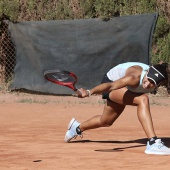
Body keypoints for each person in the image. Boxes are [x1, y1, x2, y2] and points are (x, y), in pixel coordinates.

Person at [64, 62, 170, 155]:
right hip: (112, 83)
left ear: (158, 85)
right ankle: (153, 142)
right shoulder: (134, 76)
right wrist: (89, 92)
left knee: (106, 121)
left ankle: (76, 128)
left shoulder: (153, 80)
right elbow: (111, 86)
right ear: (146, 72)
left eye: (153, 83)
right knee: (143, 99)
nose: (148, 84)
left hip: (126, 89)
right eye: (148, 79)